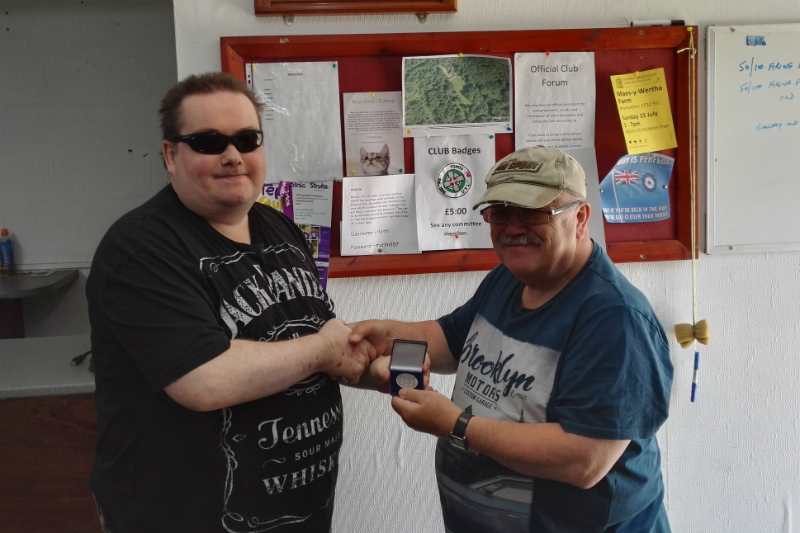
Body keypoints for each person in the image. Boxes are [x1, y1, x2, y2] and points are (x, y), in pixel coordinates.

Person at [86, 72, 376, 533]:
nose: (233, 156)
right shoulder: (139, 248)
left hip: (299, 515)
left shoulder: (278, 227)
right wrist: (326, 350)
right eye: (208, 142)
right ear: (170, 155)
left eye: (247, 139)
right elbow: (203, 378)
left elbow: (307, 339)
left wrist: (373, 365)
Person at [351, 146, 674, 532]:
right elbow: (451, 341)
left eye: (533, 212)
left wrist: (456, 425)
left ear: (580, 217)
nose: (513, 228)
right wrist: (388, 334)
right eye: (501, 212)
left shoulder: (616, 319)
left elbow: (584, 460)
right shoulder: (509, 278)